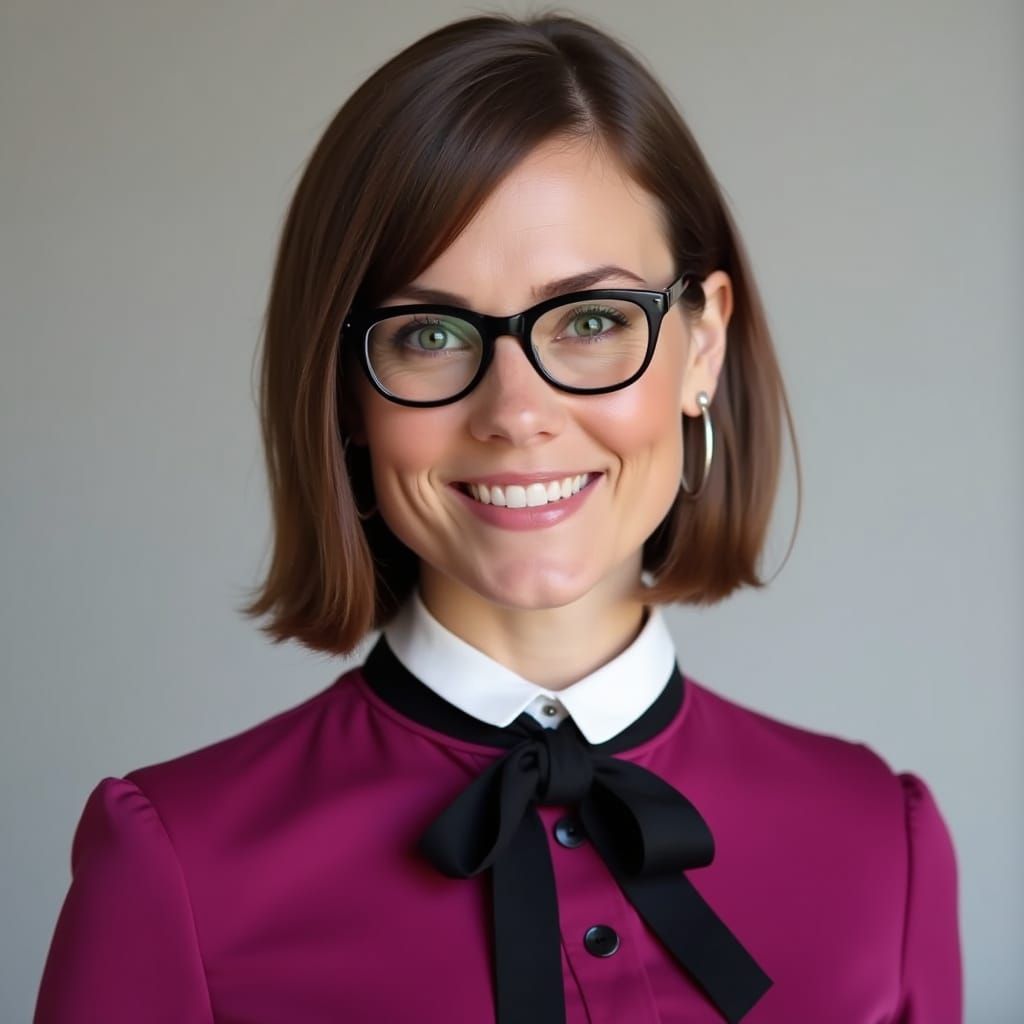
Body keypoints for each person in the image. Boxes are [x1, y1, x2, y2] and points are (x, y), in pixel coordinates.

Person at [33, 12, 962, 1024]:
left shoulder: (882, 839)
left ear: (702, 346)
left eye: (593, 321)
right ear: (347, 390)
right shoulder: (174, 863)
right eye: (430, 332)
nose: (516, 413)